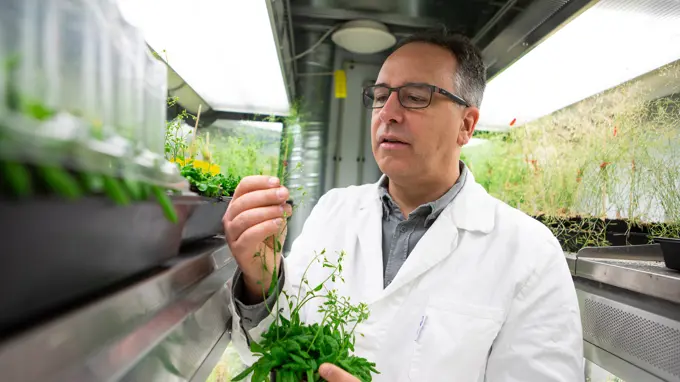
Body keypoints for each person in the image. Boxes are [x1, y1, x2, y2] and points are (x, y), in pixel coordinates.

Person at [223, 29, 584, 382]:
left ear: (467, 125)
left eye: (415, 97)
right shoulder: (333, 211)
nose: (388, 113)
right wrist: (262, 282)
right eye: (380, 96)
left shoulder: (530, 253)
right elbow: (275, 347)